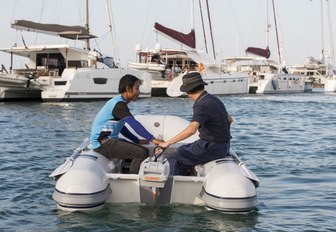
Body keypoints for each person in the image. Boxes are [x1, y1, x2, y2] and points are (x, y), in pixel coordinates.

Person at [157, 72, 233, 175]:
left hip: (212, 147)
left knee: (172, 158)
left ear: (188, 91)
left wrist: (168, 142)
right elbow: (229, 120)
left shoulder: (201, 105)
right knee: (182, 149)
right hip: (224, 145)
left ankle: (173, 187)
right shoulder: (213, 99)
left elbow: (192, 129)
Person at [90, 74, 163, 174]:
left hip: (109, 141)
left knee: (145, 151)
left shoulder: (119, 102)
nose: (139, 92)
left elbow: (121, 127)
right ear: (128, 89)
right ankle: (133, 181)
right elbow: (134, 124)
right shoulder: (119, 104)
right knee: (141, 153)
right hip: (102, 143)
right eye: (137, 88)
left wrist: (136, 140)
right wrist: (153, 139)